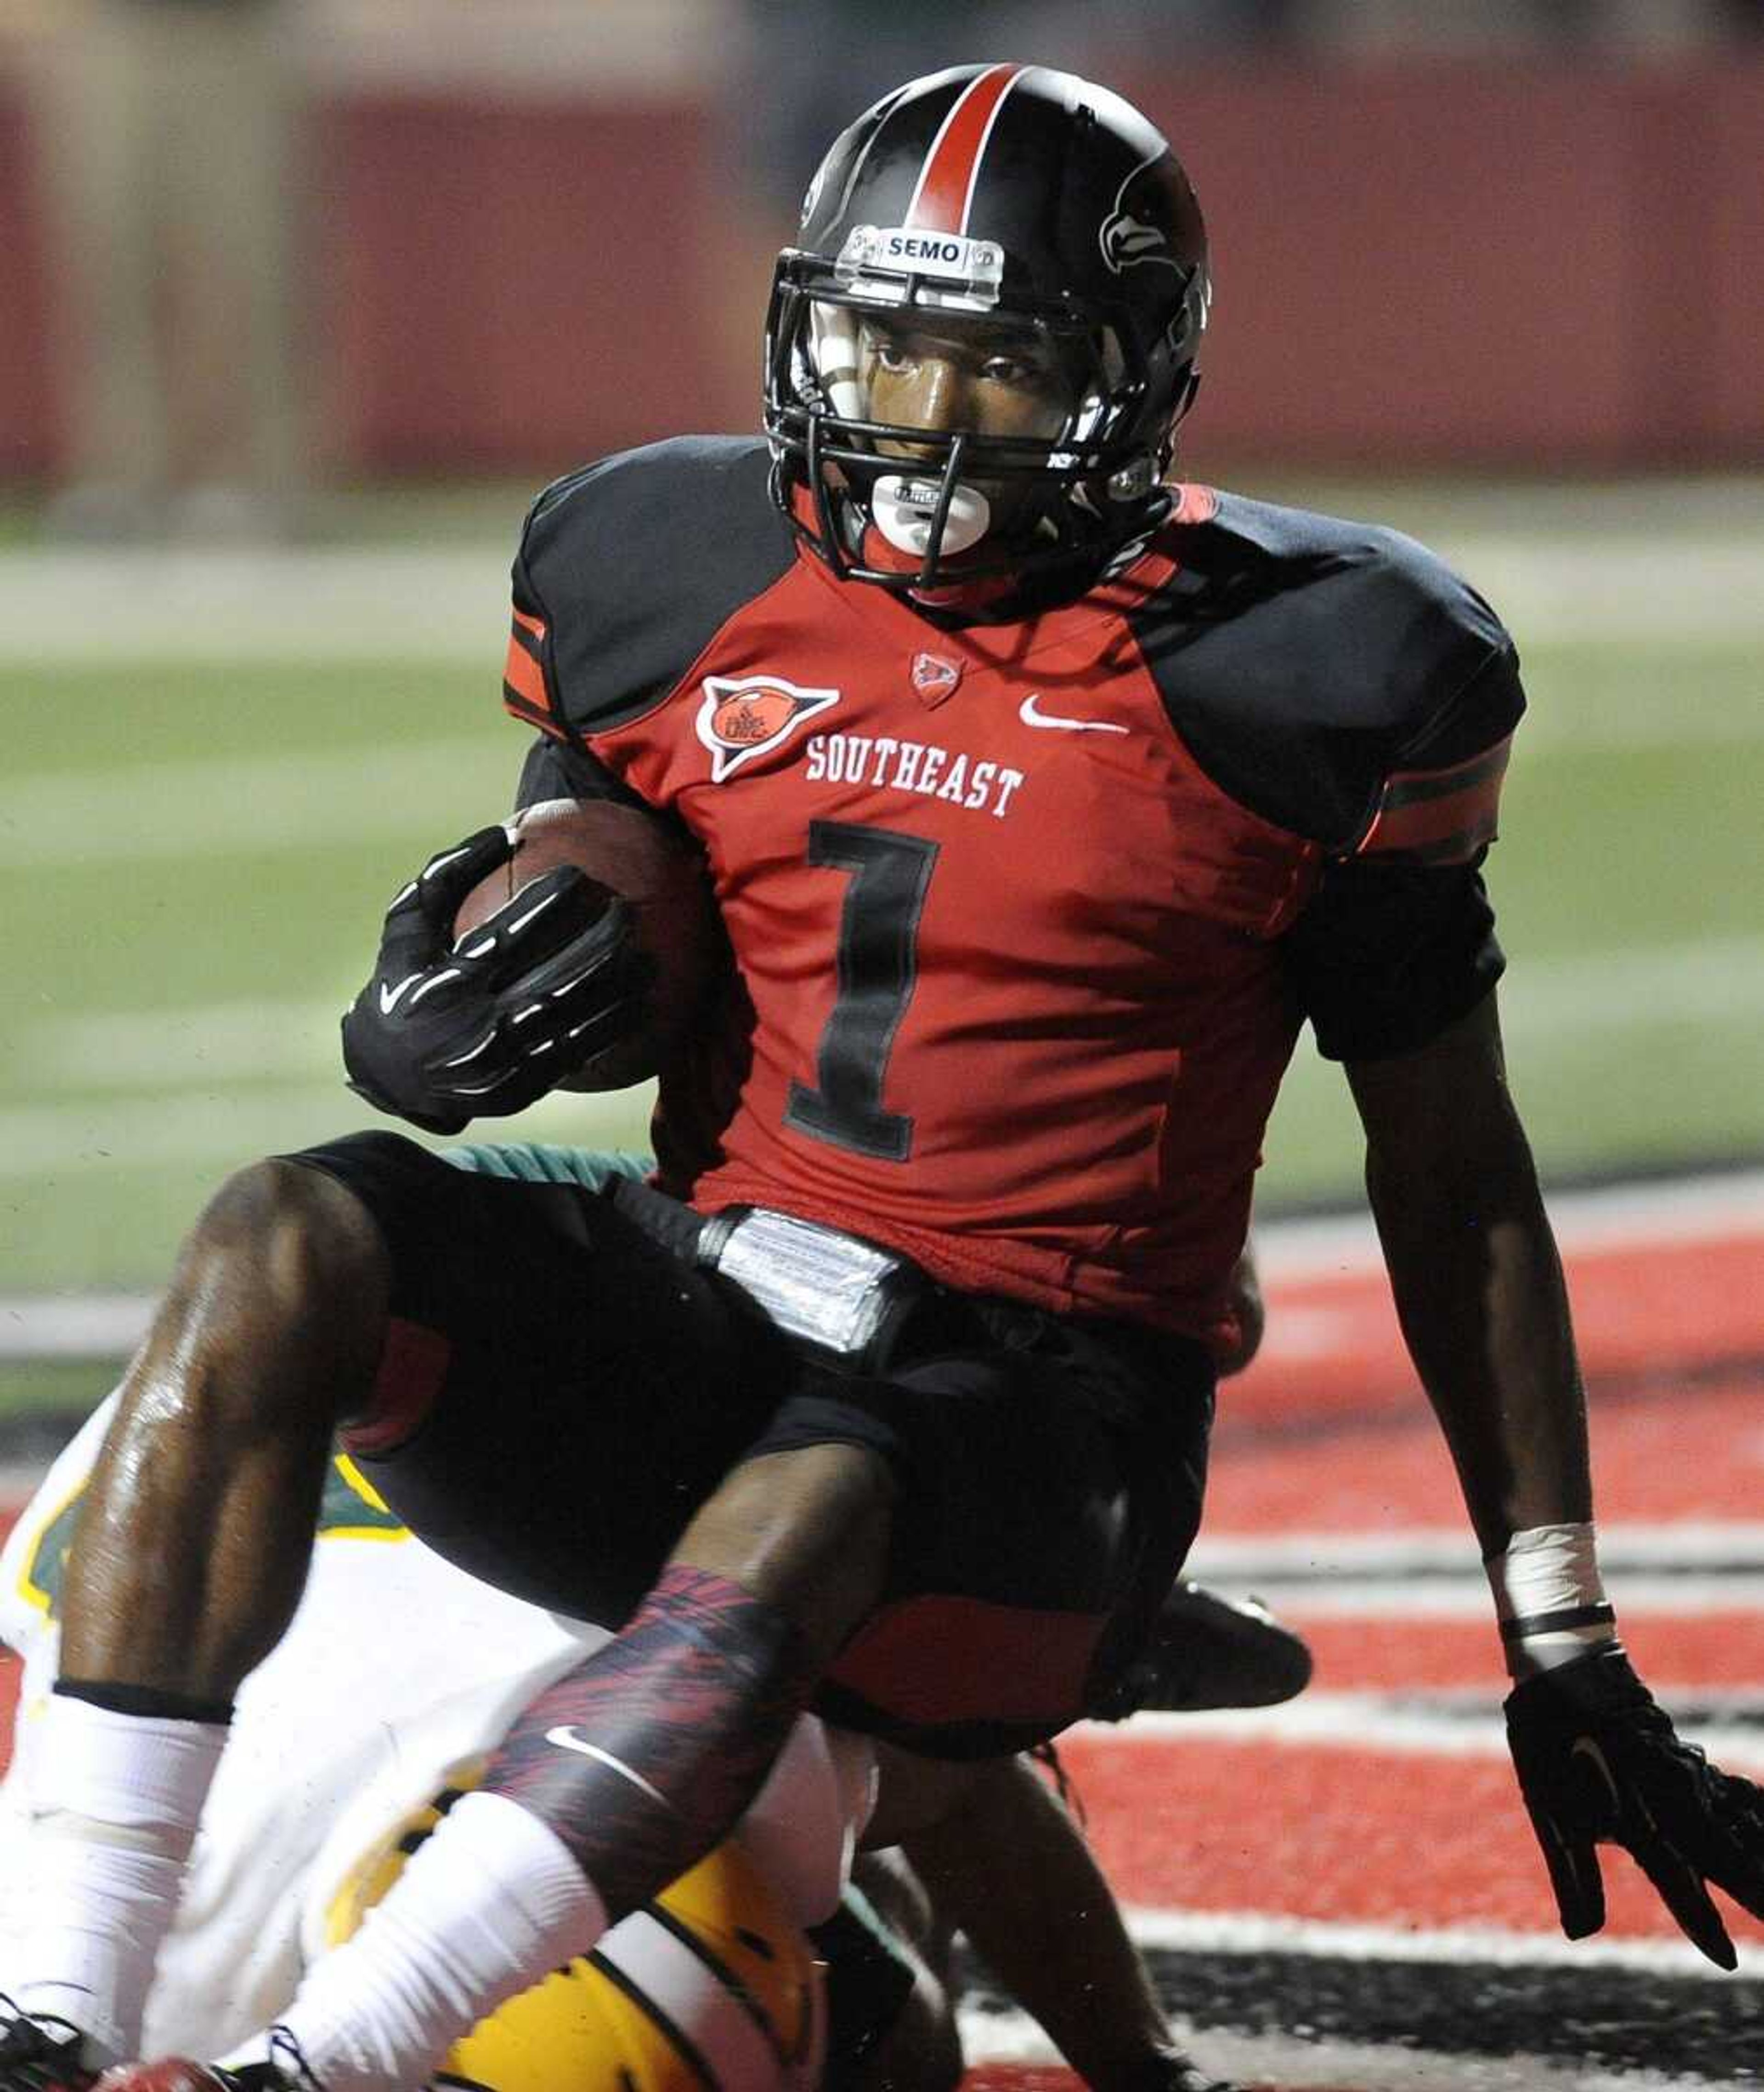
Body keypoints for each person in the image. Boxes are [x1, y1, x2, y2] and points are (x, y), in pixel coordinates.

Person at [4, 59, 1762, 2092]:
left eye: (990, 372)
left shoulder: (1327, 671)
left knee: (825, 1493)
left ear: (1130, 373)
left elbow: (1451, 1175)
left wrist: (1561, 1630)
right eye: (875, 346)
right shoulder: (654, 558)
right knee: (287, 1225)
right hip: (723, 1310)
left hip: (1047, 1418)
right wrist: (458, 1004)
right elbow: (611, 898)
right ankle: (51, 2006)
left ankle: (329, 2063)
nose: (915, 425)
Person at [0, 1204, 1300, 2092]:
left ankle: (1045, 1635)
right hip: (359, 1433)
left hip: (629, 1457)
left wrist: (1138, 2064)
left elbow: (968, 1787)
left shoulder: (691, 1738)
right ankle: (1032, 1630)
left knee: (903, 2032)